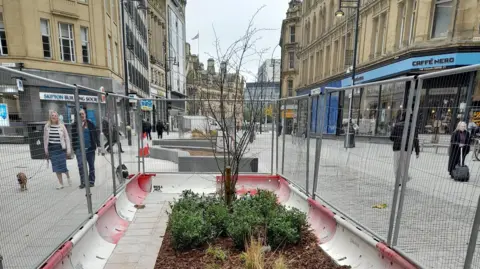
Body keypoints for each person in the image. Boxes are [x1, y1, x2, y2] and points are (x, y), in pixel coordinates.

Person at [72, 109, 100, 189]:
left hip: (90, 148)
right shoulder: (75, 125)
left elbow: (95, 135)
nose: (82, 115)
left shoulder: (90, 124)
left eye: (83, 113)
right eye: (80, 114)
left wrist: (99, 145)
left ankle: (91, 181)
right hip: (79, 149)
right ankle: (83, 181)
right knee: (81, 165)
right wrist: (74, 147)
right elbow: (73, 137)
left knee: (91, 165)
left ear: (85, 114)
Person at [389, 111, 420, 183]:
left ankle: (399, 182)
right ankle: (404, 180)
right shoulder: (413, 127)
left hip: (397, 148)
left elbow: (391, 137)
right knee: (405, 166)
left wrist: (397, 138)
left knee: (397, 166)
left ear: (402, 116)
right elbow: (416, 139)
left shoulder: (397, 125)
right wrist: (417, 151)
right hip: (407, 149)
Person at [44, 111, 72, 189]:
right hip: (52, 149)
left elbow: (67, 138)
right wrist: (46, 150)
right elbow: (45, 139)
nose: (54, 117)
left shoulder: (62, 126)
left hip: (60, 148)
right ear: (50, 117)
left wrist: (68, 149)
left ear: (57, 117)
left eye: (55, 115)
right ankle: (60, 183)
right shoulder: (47, 126)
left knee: (63, 166)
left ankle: (68, 177)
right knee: (56, 167)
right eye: (52, 115)